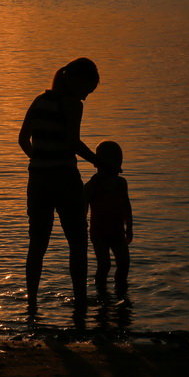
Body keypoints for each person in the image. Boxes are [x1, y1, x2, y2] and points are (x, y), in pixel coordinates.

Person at [19, 57, 100, 312]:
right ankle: (80, 302)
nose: (86, 97)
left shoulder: (40, 100)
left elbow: (22, 139)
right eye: (87, 89)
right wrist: (98, 161)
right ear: (77, 82)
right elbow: (73, 142)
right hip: (64, 179)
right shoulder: (72, 104)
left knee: (37, 244)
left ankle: (31, 301)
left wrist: (40, 159)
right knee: (77, 243)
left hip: (38, 180)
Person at [86, 141, 133, 302]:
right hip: (99, 232)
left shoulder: (121, 183)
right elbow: (83, 202)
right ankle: (101, 292)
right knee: (104, 264)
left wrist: (130, 227)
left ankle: (120, 289)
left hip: (117, 231)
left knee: (124, 262)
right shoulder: (94, 183)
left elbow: (126, 206)